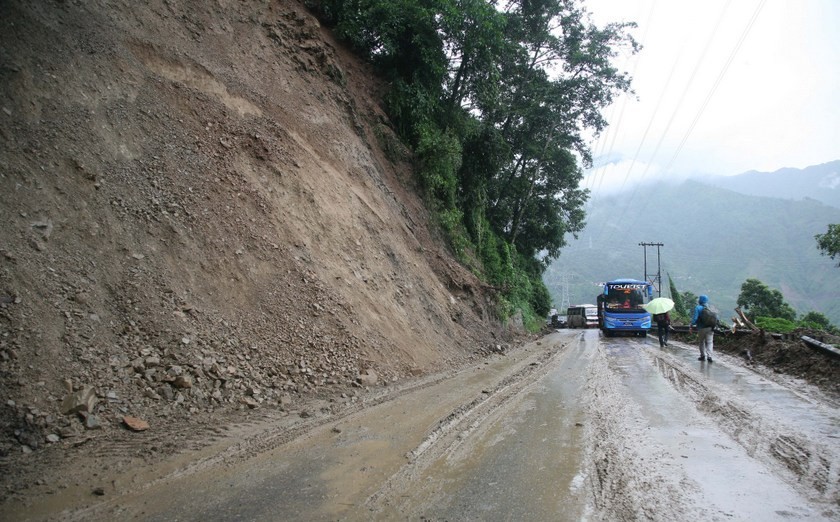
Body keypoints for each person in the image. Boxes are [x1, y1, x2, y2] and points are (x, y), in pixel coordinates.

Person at [690, 295, 715, 362]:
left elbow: (695, 318)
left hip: (701, 328)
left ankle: (702, 356)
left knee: (701, 342)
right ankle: (709, 356)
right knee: (710, 342)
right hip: (710, 327)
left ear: (700, 300)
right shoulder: (709, 308)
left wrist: (691, 325)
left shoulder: (698, 308)